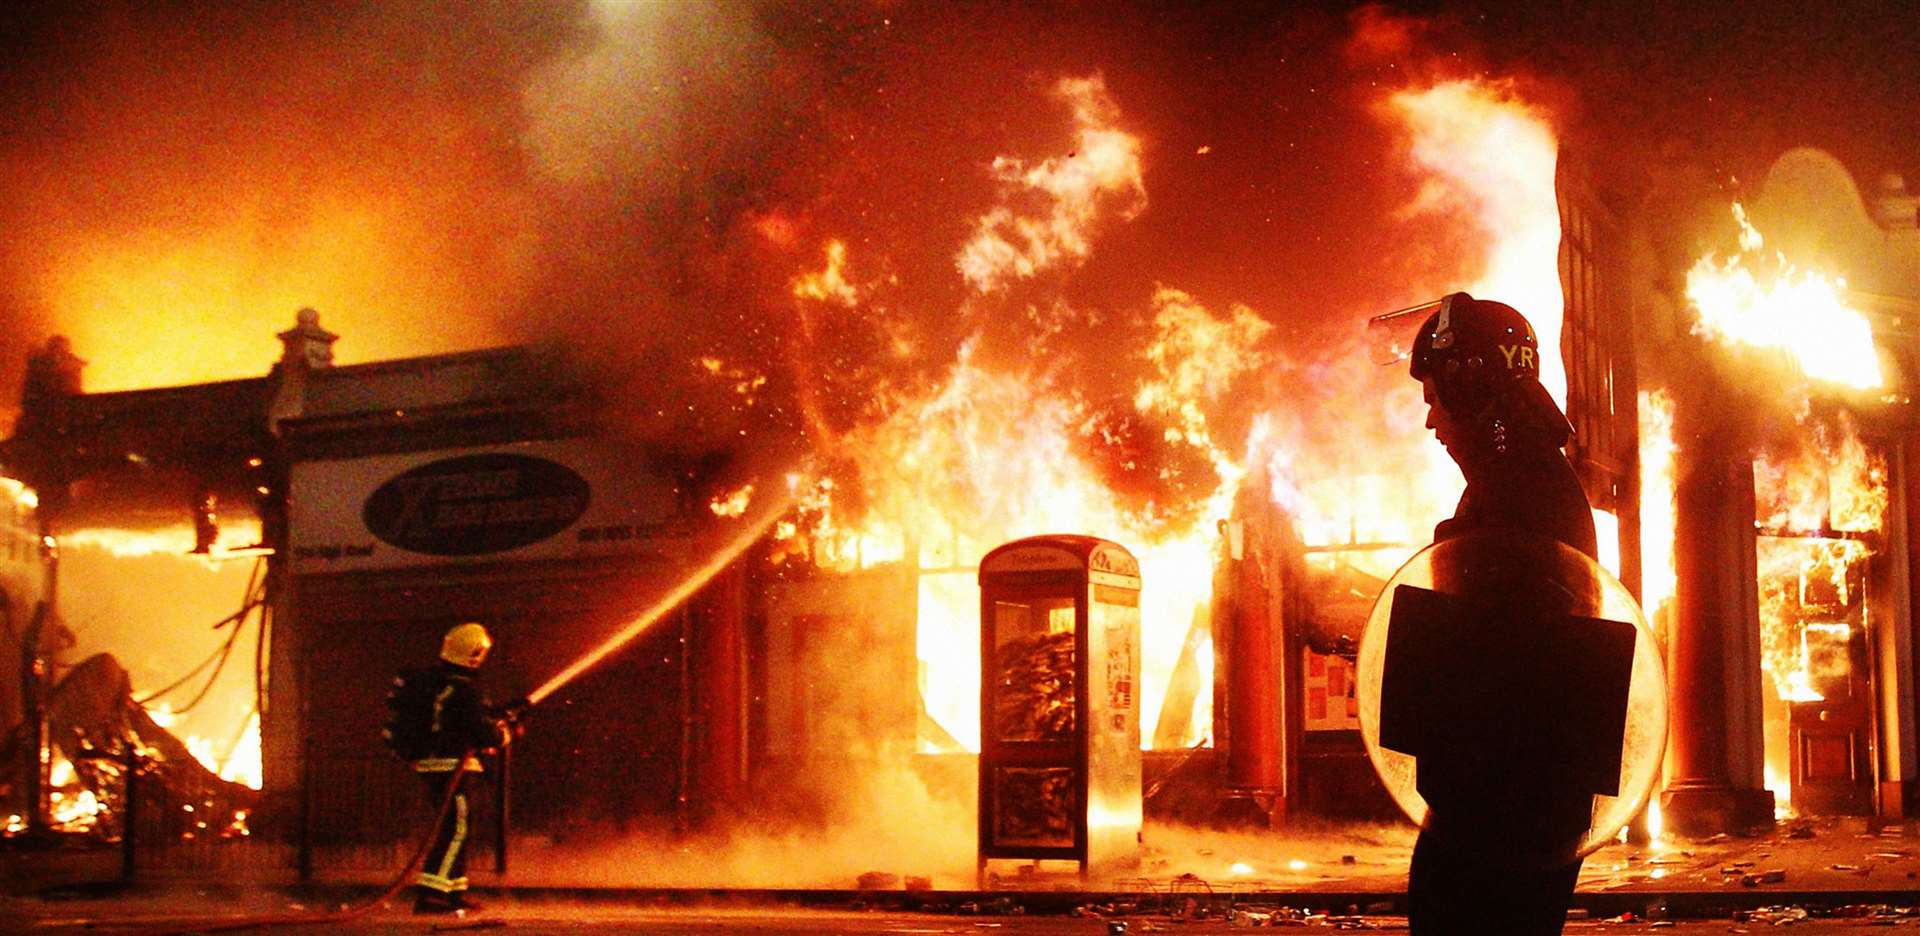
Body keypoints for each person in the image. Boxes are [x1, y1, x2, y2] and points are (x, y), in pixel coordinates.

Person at [1404, 293, 1598, 935]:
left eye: (1434, 397)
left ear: (1469, 382)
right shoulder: (1531, 477)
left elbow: (1503, 653)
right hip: (1523, 793)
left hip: (1500, 796)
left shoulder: (1516, 489)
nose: (1432, 422)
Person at [394, 622, 512, 916]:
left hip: (437, 764)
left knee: (459, 828)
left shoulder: (443, 685)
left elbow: (465, 723)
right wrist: (504, 733)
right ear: (474, 655)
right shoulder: (463, 690)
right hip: (450, 766)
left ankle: (453, 891)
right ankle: (432, 895)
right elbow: (483, 732)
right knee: (456, 829)